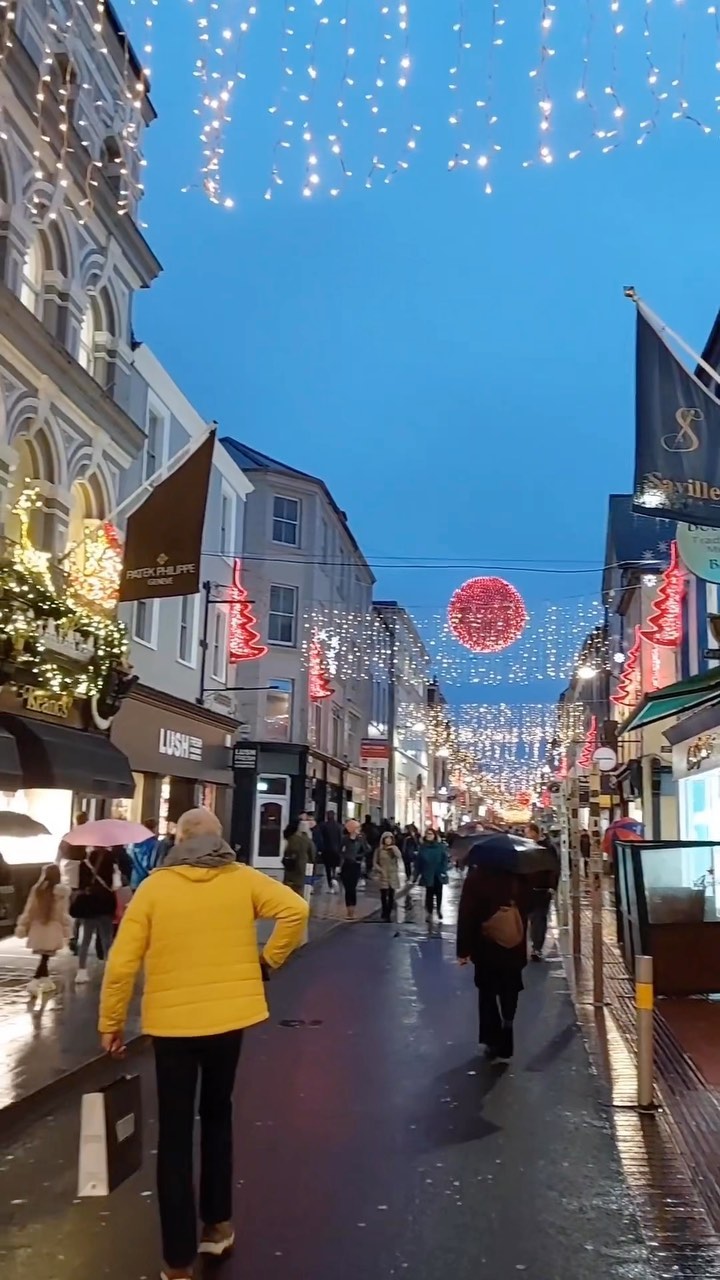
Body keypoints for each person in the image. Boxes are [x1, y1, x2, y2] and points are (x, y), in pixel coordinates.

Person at [98, 806, 308, 1280]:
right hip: (227, 1022)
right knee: (217, 1116)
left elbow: (122, 962)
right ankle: (217, 1226)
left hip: (172, 1027)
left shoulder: (155, 888)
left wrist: (112, 1021)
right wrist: (268, 960)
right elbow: (296, 910)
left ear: (179, 840)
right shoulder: (241, 879)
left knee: (174, 1134)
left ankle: (177, 1260)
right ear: (219, 839)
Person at [457, 864, 530, 1063]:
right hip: (513, 946)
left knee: (487, 993)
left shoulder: (477, 878)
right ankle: (508, 1027)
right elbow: (528, 906)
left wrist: (463, 950)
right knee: (510, 989)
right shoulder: (519, 876)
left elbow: (466, 915)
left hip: (486, 947)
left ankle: (492, 1040)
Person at [15, 864, 71, 995]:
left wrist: (24, 925)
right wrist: (66, 928)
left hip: (38, 927)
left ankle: (46, 980)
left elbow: (29, 908)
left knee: (45, 956)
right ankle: (34, 981)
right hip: (53, 928)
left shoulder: (37, 889)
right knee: (45, 957)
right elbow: (62, 912)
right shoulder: (62, 892)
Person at [72, 845, 118, 985]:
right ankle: (109, 968)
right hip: (105, 902)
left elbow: (79, 884)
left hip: (89, 904)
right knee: (107, 938)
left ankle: (81, 971)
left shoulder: (85, 863)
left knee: (85, 938)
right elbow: (116, 884)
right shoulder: (110, 859)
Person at [526, 822, 561, 961]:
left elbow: (554, 868)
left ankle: (537, 947)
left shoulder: (547, 848)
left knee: (539, 918)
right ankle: (535, 944)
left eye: (528, 832)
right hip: (528, 888)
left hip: (543, 889)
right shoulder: (526, 847)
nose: (527, 835)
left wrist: (552, 886)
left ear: (535, 832)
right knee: (532, 918)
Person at [417, 827, 449, 922]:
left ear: (434, 835)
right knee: (429, 894)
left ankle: (438, 910)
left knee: (439, 893)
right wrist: (416, 874)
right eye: (427, 834)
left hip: (438, 873)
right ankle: (429, 913)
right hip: (428, 873)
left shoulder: (440, 846)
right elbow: (419, 862)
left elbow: (445, 859)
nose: (429, 836)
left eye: (431, 834)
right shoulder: (423, 847)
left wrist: (443, 870)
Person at [339, 819, 368, 921]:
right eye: (356, 828)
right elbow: (340, 851)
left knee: (352, 888)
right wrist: (344, 856)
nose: (358, 830)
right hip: (346, 865)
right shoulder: (345, 839)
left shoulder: (361, 839)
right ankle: (348, 911)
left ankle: (352, 911)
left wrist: (358, 856)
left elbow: (367, 849)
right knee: (347, 888)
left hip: (355, 865)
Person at [282, 817, 313, 897]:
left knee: (289, 886)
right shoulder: (307, 839)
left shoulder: (291, 838)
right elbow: (312, 853)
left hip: (290, 866)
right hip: (301, 866)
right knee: (299, 887)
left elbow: (287, 852)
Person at [374, 832, 401, 922]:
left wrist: (393, 848)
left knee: (391, 894)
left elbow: (399, 856)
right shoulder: (379, 850)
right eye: (386, 838)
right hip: (383, 874)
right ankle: (384, 911)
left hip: (392, 874)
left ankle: (388, 912)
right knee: (383, 894)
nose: (388, 840)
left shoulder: (394, 849)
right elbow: (375, 862)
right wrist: (380, 870)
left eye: (390, 838)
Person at [131, 818, 161, 889]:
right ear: (154, 829)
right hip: (147, 879)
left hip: (135, 879)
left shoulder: (136, 843)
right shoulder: (155, 844)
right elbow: (152, 862)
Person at [319, 809, 343, 891]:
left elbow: (321, 839)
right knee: (334, 867)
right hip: (336, 850)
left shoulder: (323, 826)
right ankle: (334, 879)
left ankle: (331, 886)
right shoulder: (339, 826)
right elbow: (341, 839)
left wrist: (321, 849)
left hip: (327, 850)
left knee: (328, 868)